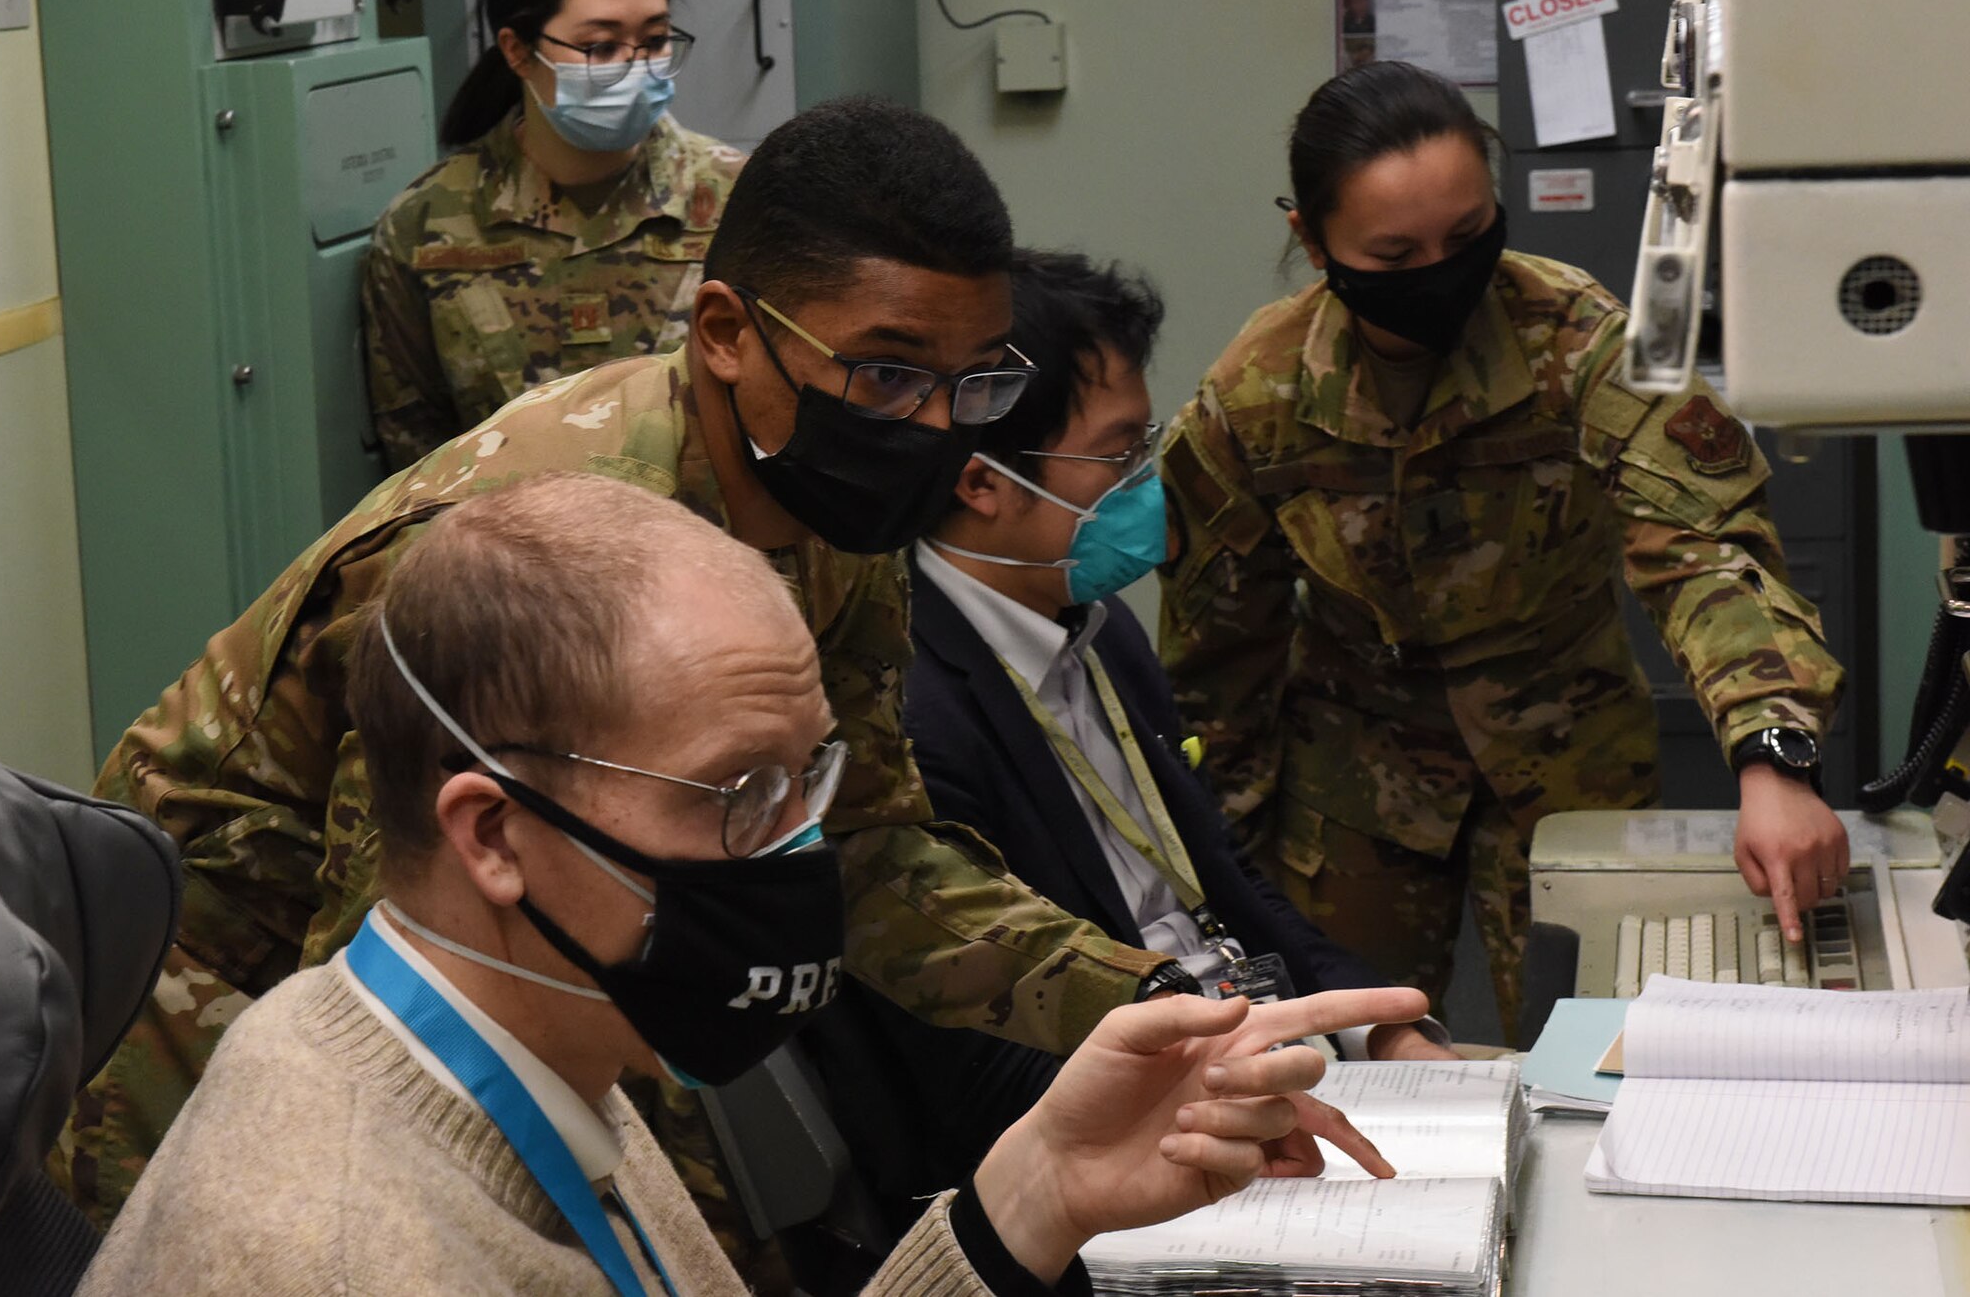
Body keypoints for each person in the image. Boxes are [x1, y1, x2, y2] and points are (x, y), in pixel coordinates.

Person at [60, 96, 1190, 1233]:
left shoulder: (828, 499)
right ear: (724, 333)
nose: (937, 429)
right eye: (888, 376)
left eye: (975, 384)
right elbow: (415, 981)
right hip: (211, 958)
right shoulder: (540, 555)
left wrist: (1151, 998)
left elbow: (860, 855)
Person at [73, 473, 1428, 1296]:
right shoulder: (341, 1249)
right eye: (741, 798)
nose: (798, 850)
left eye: (809, 779)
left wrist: (1039, 1190)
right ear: (492, 834)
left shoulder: (525, 1046)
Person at [1158, 62, 1848, 1041]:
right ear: (1310, 241)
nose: (1439, 271)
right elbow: (1217, 645)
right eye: (1394, 254)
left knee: (1594, 1045)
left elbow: (1699, 544)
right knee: (1353, 1053)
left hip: (1566, 748)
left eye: (1467, 236)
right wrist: (1211, 859)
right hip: (1354, 775)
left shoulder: (1580, 344)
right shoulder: (1255, 395)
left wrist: (1771, 751)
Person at [814, 249, 1456, 1206]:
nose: (1146, 482)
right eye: (1118, 456)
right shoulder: (909, 720)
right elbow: (978, 1079)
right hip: (1137, 1149)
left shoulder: (1097, 635)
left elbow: (1227, 893)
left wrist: (1383, 1035)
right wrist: (1232, 1094)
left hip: (1255, 1067)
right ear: (980, 483)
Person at [363, 0, 745, 469]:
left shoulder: (737, 198)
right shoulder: (426, 226)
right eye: (600, 48)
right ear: (519, 50)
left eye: (654, 41)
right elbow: (414, 451)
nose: (635, 68)